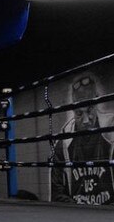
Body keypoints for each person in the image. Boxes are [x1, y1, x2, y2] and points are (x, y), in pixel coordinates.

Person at [51, 72, 114, 205]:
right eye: (79, 113)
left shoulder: (111, 134)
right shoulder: (64, 143)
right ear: (73, 111)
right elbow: (57, 192)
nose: (86, 120)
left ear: (97, 103)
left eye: (90, 110)